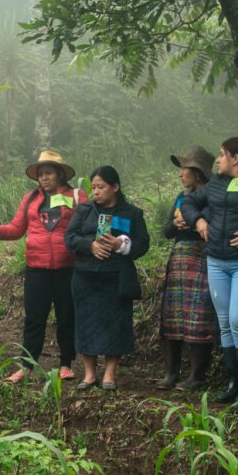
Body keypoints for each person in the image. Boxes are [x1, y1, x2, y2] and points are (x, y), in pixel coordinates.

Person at [0, 150, 87, 384]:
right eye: (40, 174)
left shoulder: (77, 196)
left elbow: (89, 225)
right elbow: (17, 228)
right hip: (36, 268)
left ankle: (66, 364)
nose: (44, 178)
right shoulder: (31, 199)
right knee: (34, 319)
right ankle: (27, 366)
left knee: (66, 316)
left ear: (60, 174)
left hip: (68, 268)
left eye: (48, 173)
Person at [180, 137, 238, 404]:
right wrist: (199, 221)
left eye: (221, 154)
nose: (217, 160)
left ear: (235, 158)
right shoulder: (216, 183)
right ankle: (234, 382)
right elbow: (188, 203)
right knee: (224, 322)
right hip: (216, 260)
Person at [64, 165, 150, 391]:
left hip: (117, 276)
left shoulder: (132, 213)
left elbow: (143, 244)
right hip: (85, 276)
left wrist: (121, 245)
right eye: (93, 187)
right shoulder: (85, 210)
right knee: (85, 323)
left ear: (115, 187)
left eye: (101, 187)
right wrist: (90, 245)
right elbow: (69, 237)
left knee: (116, 324)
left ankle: (109, 374)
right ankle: (89, 374)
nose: (96, 192)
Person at [157, 147, 219, 390]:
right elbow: (166, 231)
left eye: (185, 168)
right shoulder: (181, 197)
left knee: (199, 315)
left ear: (198, 172)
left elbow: (217, 225)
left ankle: (197, 375)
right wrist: (175, 223)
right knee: (172, 314)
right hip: (179, 260)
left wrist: (194, 223)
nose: (180, 173)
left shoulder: (213, 195)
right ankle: (171, 372)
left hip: (201, 258)